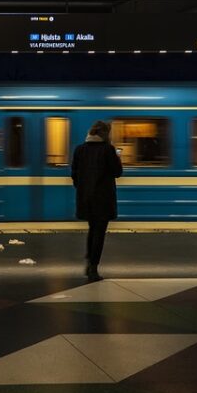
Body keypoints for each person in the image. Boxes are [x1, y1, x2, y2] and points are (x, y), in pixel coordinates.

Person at [71, 120, 123, 281]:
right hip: (103, 199)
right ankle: (93, 268)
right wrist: (118, 157)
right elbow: (117, 172)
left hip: (86, 198)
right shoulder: (108, 150)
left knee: (92, 230)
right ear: (105, 134)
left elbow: (74, 174)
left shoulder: (80, 150)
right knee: (99, 232)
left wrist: (83, 188)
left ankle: (89, 264)